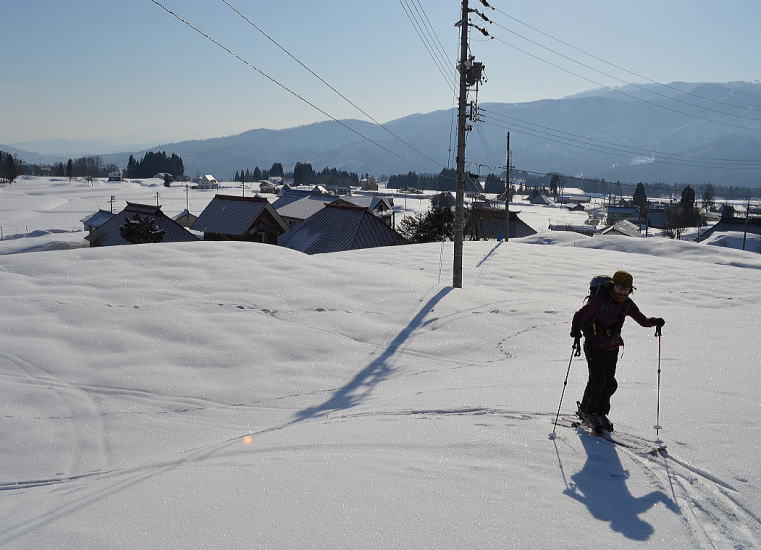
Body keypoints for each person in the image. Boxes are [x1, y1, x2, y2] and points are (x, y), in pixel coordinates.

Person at [570, 270, 665, 432]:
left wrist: (654, 322)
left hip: (612, 347)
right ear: (613, 286)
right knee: (598, 380)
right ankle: (589, 412)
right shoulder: (601, 299)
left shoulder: (627, 304)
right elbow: (580, 314)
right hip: (593, 345)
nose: (622, 291)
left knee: (609, 383)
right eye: (619, 287)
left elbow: (641, 320)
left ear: (630, 290)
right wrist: (576, 331)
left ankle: (599, 412)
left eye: (626, 288)